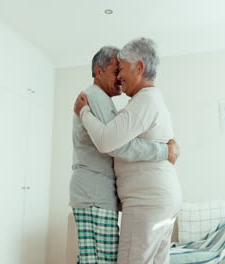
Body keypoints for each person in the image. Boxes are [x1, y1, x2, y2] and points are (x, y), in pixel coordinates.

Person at [74, 38, 182, 264]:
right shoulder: (150, 99)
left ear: (140, 67)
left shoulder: (145, 100)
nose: (120, 77)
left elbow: (107, 141)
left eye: (121, 69)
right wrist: (164, 151)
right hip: (159, 200)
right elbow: (116, 142)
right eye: (117, 70)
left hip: (147, 202)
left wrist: (83, 112)